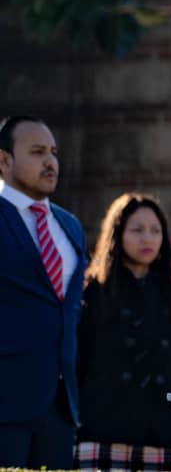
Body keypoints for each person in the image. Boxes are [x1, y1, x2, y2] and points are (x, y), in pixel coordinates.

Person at [75, 193, 171, 470]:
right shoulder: (92, 290)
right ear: (117, 234)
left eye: (155, 231)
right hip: (103, 426)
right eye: (137, 230)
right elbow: (80, 358)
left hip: (158, 431)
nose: (147, 239)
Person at [0, 115, 86, 469]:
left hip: (59, 406)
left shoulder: (70, 226)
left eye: (53, 152)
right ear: (4, 160)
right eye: (36, 152)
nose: (50, 161)